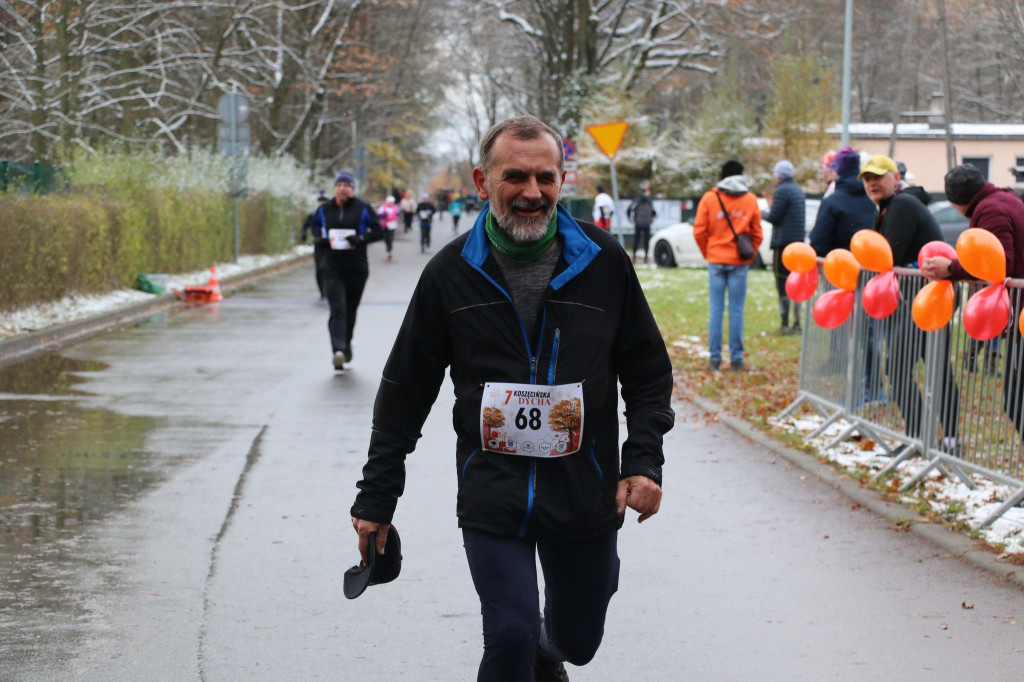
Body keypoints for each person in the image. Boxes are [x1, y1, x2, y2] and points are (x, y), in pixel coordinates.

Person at [348, 114, 675, 682]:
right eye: (515, 176)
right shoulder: (450, 273)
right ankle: (528, 650)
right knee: (509, 633)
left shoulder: (604, 262)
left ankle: (549, 652)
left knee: (576, 642)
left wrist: (643, 460)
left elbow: (648, 372)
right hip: (493, 488)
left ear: (562, 179)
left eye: (546, 177)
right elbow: (405, 391)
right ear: (482, 181)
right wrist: (376, 497)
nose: (532, 192)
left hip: (584, 488)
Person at [859, 154, 960, 450]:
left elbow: (890, 253)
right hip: (923, 297)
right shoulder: (889, 207)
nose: (872, 183)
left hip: (929, 297)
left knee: (902, 366)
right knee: (931, 366)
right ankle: (934, 438)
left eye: (878, 176)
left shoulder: (902, 204)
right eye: (867, 178)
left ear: (896, 177)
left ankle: (927, 438)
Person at [921, 163, 1024, 443]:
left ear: (956, 201)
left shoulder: (990, 210)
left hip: (1020, 314)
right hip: (1018, 313)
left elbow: (1000, 263)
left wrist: (950, 269)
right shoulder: (1005, 198)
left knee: (1016, 400)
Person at [693, 159, 763, 371]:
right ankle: (736, 359)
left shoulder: (710, 198)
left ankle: (714, 358)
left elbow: (699, 231)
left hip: (716, 259)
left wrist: (709, 253)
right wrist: (749, 255)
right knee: (736, 310)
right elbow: (757, 234)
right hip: (739, 262)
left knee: (716, 310)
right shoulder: (750, 199)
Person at [311, 171, 383, 371]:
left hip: (356, 267)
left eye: (346, 185)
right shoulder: (324, 209)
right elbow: (315, 229)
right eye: (339, 185)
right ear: (335, 188)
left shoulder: (363, 208)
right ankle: (338, 350)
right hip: (331, 266)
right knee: (338, 308)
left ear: (352, 189)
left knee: (350, 309)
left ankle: (346, 344)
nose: (342, 188)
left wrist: (360, 239)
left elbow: (379, 232)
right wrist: (323, 240)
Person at [809, 147, 877, 256]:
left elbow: (818, 244)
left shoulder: (832, 202)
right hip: (868, 263)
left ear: (837, 170)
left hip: (839, 263)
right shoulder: (873, 200)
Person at [765, 160, 806, 335]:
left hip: (782, 245)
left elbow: (774, 217)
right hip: (798, 245)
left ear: (778, 175)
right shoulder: (798, 190)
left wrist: (762, 213)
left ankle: (784, 324)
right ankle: (796, 324)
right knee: (796, 284)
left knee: (782, 283)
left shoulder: (781, 190)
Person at [300, 190, 329, 298]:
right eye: (321, 200)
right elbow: (305, 225)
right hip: (319, 244)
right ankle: (322, 291)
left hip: (331, 244)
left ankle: (330, 289)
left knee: (330, 267)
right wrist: (303, 234)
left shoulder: (333, 213)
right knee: (320, 268)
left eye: (324, 200)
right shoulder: (314, 214)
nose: (322, 202)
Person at [626, 182, 657, 263]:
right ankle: (634, 257)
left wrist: (652, 220)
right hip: (639, 224)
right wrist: (631, 220)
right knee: (637, 241)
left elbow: (653, 212)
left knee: (646, 241)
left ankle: (646, 258)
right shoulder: (638, 200)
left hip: (646, 224)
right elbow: (629, 210)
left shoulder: (649, 201)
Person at [378, 195, 401, 261]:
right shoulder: (383, 207)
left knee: (390, 238)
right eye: (389, 202)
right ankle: (387, 247)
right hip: (384, 224)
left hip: (392, 224)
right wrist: (385, 215)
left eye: (391, 202)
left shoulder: (396, 207)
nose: (390, 203)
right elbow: (379, 215)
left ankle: (389, 250)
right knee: (385, 237)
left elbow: (398, 214)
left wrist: (397, 217)